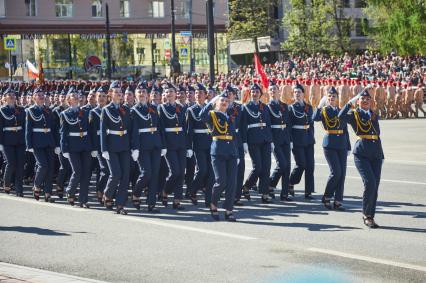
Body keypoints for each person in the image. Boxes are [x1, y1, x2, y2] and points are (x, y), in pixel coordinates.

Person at [339, 89, 384, 228]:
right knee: (369, 182)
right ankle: (366, 215)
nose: (365, 101)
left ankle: (371, 215)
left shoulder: (373, 114)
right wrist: (350, 102)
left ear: (371, 102)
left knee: (375, 186)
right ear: (358, 101)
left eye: (367, 99)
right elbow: (340, 116)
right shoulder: (354, 114)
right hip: (362, 152)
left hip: (376, 152)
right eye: (362, 99)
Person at [199, 90, 238, 221]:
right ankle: (213, 203)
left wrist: (237, 152)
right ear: (217, 103)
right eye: (222, 100)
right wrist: (210, 102)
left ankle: (229, 210)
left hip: (231, 151)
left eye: (227, 101)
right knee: (221, 181)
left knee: (232, 182)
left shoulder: (230, 115)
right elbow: (201, 115)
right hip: (218, 150)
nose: (225, 103)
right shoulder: (212, 115)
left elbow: (233, 135)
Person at [313, 87, 351, 210]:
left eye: (333, 96)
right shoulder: (324, 110)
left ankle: (338, 201)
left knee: (342, 173)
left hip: (342, 144)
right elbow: (314, 118)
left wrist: (348, 146)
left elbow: (345, 130)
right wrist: (319, 105)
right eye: (329, 96)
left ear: (337, 98)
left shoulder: (341, 110)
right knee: (336, 172)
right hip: (330, 144)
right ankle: (327, 196)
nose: (331, 98)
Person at [130, 85, 165, 212]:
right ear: (136, 95)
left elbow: (160, 128)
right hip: (142, 146)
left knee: (155, 174)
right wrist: (135, 148)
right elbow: (133, 131)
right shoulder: (133, 110)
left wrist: (163, 145)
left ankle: (151, 203)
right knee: (146, 173)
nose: (142, 93)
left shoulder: (154, 108)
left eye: (144, 91)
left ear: (147, 94)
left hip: (155, 144)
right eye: (139, 92)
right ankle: (136, 193)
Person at [100, 81, 131, 215]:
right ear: (110, 94)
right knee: (115, 174)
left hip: (124, 145)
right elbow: (102, 131)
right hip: (112, 146)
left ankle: (120, 204)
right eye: (116, 92)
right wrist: (104, 149)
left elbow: (130, 129)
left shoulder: (126, 109)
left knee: (125, 176)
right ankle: (107, 194)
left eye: (120, 93)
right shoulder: (106, 109)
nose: (119, 95)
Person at [60, 90, 94, 208]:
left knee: (86, 173)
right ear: (68, 99)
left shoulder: (85, 112)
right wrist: (64, 149)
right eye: (73, 95)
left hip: (85, 145)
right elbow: (63, 133)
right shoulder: (65, 114)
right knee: (77, 171)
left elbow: (90, 131)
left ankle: (83, 200)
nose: (76, 97)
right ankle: (70, 191)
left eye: (77, 95)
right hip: (73, 146)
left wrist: (93, 147)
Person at [25, 87, 59, 202]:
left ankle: (48, 193)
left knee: (50, 168)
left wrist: (56, 144)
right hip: (37, 142)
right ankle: (37, 185)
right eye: (38, 95)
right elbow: (28, 130)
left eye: (42, 94)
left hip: (49, 141)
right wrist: (29, 145)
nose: (41, 96)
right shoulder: (30, 111)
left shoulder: (48, 110)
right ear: (34, 97)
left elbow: (53, 128)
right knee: (43, 165)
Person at [241, 83, 273, 203]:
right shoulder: (246, 107)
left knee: (266, 167)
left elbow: (268, 124)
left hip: (265, 139)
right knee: (258, 167)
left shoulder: (264, 107)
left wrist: (271, 141)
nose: (255, 94)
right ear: (250, 94)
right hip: (253, 140)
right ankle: (247, 186)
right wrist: (244, 142)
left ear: (260, 94)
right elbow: (243, 126)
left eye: (257, 92)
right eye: (253, 92)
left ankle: (264, 193)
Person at [158, 83, 187, 210]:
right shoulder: (161, 108)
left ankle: (177, 200)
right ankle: (165, 190)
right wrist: (163, 145)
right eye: (167, 92)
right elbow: (161, 129)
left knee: (181, 172)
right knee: (175, 172)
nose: (169, 94)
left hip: (181, 142)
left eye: (171, 91)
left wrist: (187, 144)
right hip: (169, 143)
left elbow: (185, 127)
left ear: (175, 94)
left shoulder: (181, 107)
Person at [186, 83, 214, 207]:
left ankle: (209, 200)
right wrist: (189, 147)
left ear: (205, 95)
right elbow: (189, 130)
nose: (198, 95)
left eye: (200, 93)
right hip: (198, 144)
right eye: (196, 93)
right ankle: (192, 190)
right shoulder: (191, 110)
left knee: (211, 172)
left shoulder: (210, 108)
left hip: (210, 143)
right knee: (202, 170)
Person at [288, 83, 315, 199]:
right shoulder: (291, 108)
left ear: (303, 94)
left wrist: (312, 136)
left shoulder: (309, 107)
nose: (297, 94)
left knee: (310, 165)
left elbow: (311, 123)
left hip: (308, 139)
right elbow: (289, 126)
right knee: (301, 164)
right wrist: (290, 140)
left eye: (299, 92)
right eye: (295, 92)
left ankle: (308, 191)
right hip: (297, 139)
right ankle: (290, 182)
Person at [267, 83, 292, 202]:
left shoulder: (284, 106)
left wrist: (290, 139)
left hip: (285, 137)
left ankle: (285, 193)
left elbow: (288, 124)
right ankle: (271, 184)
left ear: (279, 91)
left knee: (287, 166)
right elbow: (267, 125)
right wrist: (270, 140)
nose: (273, 91)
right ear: (268, 92)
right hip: (275, 138)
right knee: (282, 164)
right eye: (270, 90)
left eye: (274, 89)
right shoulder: (267, 107)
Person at [0, 88, 26, 197]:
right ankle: (7, 183)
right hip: (7, 140)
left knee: (20, 165)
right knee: (11, 163)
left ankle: (19, 189)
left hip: (20, 139)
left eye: (13, 94)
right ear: (4, 97)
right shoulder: (2, 110)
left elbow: (24, 125)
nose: (11, 96)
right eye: (9, 95)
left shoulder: (21, 109)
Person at [89, 87, 109, 204]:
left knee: (107, 170)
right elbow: (92, 132)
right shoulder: (93, 112)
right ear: (96, 98)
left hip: (110, 143)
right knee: (104, 169)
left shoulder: (109, 110)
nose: (101, 98)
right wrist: (93, 147)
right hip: (98, 144)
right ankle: (100, 189)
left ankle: (105, 190)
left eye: (103, 96)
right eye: (99, 96)